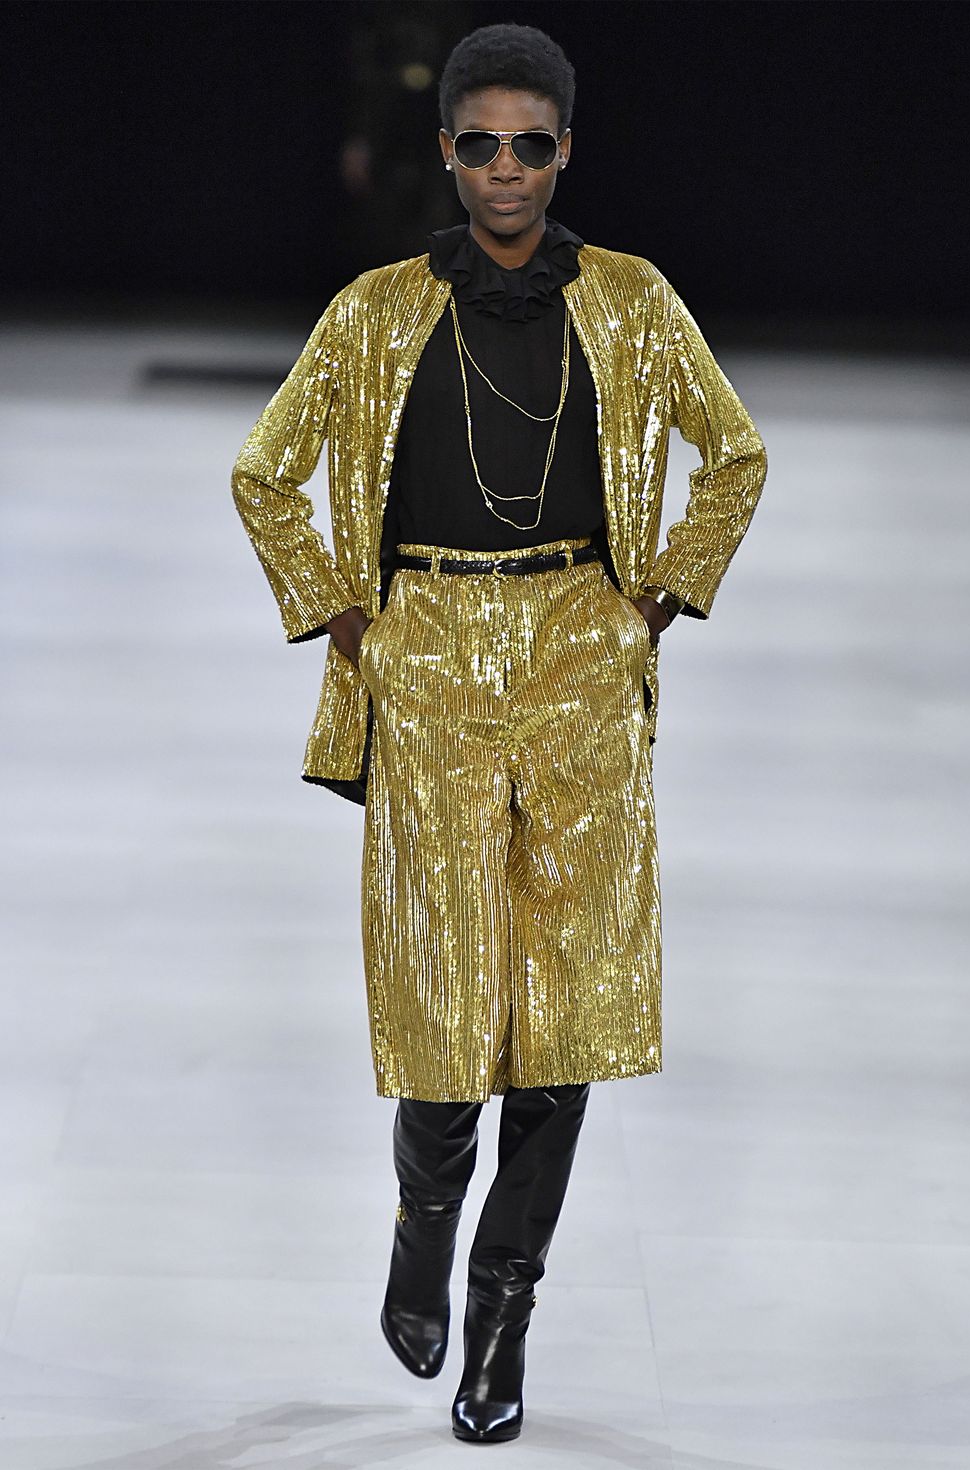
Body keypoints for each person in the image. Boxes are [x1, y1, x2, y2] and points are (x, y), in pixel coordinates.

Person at [231, 21, 767, 1445]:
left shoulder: (635, 301)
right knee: (441, 986)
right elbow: (265, 472)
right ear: (449, 151)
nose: (508, 167)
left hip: (583, 650)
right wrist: (345, 618)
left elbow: (735, 453)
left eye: (533, 144)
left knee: (566, 1000)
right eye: (483, 143)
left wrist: (655, 601)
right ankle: (423, 1227)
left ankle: (504, 1307)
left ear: (566, 151)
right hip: (431, 656)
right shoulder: (377, 312)